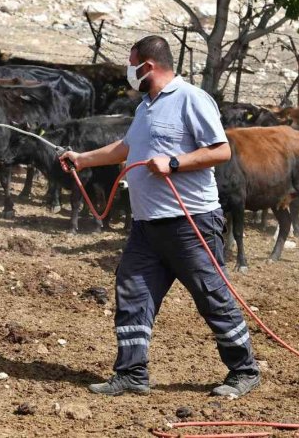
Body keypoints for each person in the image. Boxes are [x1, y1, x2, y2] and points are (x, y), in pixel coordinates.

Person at [60, 35, 260, 398]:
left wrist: (174, 163)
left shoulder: (192, 99)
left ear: (147, 67)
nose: (128, 71)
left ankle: (244, 370)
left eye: (131, 63)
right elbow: (126, 148)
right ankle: (132, 373)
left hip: (191, 223)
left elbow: (221, 150)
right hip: (146, 224)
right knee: (132, 292)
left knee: (211, 296)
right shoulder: (145, 107)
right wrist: (83, 158)